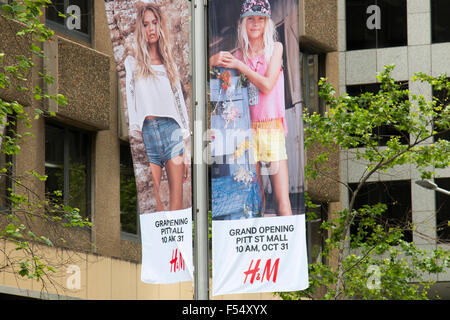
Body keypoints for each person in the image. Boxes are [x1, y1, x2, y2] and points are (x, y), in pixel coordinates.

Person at [209, 0, 292, 216]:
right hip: (246, 131)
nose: (255, 24)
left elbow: (267, 84)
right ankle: (256, 248)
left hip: (271, 128)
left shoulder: (275, 48)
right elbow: (208, 72)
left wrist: (240, 66)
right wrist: (213, 60)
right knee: (254, 198)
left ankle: (291, 248)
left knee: (282, 198)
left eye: (260, 19)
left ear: (267, 23)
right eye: (251, 19)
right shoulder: (237, 55)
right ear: (242, 23)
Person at [125, 2, 190, 212]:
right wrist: (136, 133)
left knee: (176, 206)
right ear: (140, 28)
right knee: (154, 208)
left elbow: (180, 103)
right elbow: (131, 100)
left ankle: (178, 246)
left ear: (160, 25)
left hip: (172, 133)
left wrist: (186, 151)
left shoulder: (169, 63)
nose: (151, 28)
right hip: (148, 135)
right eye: (146, 24)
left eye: (154, 23)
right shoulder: (132, 63)